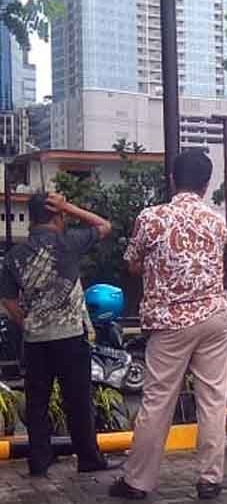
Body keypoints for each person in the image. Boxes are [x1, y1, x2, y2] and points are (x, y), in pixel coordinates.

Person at [110, 150, 227, 501]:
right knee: (212, 399)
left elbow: (131, 263)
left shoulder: (151, 218)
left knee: (158, 402)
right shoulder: (217, 221)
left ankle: (137, 481)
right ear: (207, 185)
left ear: (173, 180)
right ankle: (210, 478)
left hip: (170, 322)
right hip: (213, 317)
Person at [0, 192, 116, 476]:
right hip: (70, 337)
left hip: (36, 340)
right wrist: (70, 206)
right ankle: (88, 458)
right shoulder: (68, 243)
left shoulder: (15, 255)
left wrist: (26, 322)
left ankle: (39, 461)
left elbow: (8, 300)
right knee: (77, 399)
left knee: (37, 402)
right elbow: (105, 226)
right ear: (57, 216)